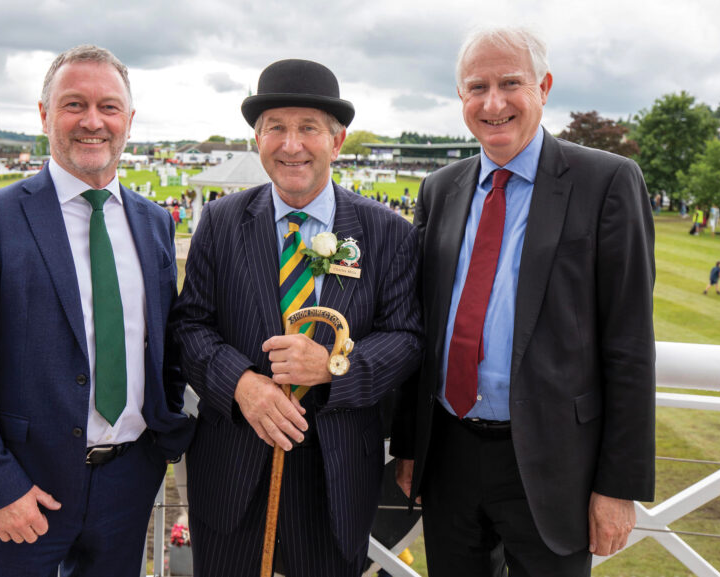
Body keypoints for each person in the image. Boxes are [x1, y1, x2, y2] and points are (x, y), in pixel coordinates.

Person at [390, 27, 656, 577]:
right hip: (450, 455)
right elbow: (423, 328)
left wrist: (617, 487)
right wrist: (412, 446)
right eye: (476, 87)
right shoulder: (440, 188)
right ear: (461, 98)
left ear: (544, 87)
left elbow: (629, 343)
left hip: (553, 462)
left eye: (511, 83)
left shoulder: (607, 181)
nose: (493, 103)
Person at [0, 44, 194, 577]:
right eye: (74, 105)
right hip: (23, 489)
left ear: (130, 120)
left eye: (109, 107)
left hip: (128, 483)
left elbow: (164, 340)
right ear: (45, 115)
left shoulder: (153, 221)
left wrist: (160, 443)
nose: (92, 121)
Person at [171, 59, 423, 576]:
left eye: (308, 128)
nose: (291, 145)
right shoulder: (220, 222)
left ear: (338, 141)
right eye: (275, 128)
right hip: (234, 466)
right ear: (257, 139)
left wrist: (335, 366)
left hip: (335, 473)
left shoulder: (386, 232)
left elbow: (406, 338)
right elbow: (190, 327)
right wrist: (242, 384)